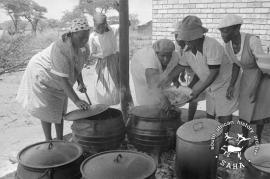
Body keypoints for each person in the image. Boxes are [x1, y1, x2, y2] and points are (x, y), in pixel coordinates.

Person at [163, 16, 238, 145]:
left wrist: (196, 90)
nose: (185, 42)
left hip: (225, 82)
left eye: (188, 39)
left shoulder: (211, 46)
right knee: (210, 113)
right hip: (209, 85)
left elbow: (214, 72)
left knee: (224, 114)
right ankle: (210, 137)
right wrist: (165, 80)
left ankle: (223, 143)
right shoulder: (188, 50)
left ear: (197, 37)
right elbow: (180, 67)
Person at [16, 17, 91, 141]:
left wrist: (80, 82)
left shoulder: (84, 47)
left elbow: (78, 66)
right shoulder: (61, 49)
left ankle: (60, 140)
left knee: (59, 109)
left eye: (86, 38)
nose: (84, 41)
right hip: (42, 73)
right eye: (81, 38)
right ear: (72, 34)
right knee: (48, 109)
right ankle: (49, 141)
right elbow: (63, 80)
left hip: (58, 76)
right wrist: (77, 100)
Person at [218, 14, 270, 144]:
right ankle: (245, 140)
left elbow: (262, 66)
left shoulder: (252, 40)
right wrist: (231, 85)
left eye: (225, 31)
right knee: (244, 112)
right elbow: (236, 65)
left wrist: (255, 88)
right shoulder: (228, 45)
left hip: (262, 77)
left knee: (260, 112)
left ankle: (256, 139)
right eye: (221, 32)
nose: (222, 35)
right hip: (246, 78)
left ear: (236, 29)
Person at [130, 39, 180, 110]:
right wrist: (164, 99)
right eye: (162, 56)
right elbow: (152, 83)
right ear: (156, 53)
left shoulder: (175, 56)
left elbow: (176, 67)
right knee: (147, 98)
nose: (166, 59)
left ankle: (163, 109)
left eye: (169, 56)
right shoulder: (149, 58)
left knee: (164, 92)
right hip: (140, 73)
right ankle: (148, 111)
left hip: (156, 75)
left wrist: (175, 80)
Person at [89, 12, 121, 105]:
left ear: (105, 24)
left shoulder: (113, 29)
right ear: (95, 26)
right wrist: (98, 56)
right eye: (98, 28)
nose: (100, 29)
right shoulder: (92, 37)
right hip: (101, 63)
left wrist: (119, 9)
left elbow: (128, 23)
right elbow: (92, 53)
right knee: (103, 88)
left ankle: (114, 107)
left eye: (102, 27)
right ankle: (104, 106)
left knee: (115, 86)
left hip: (114, 60)